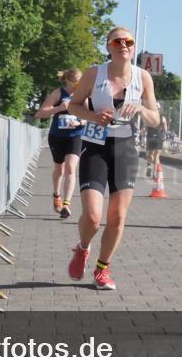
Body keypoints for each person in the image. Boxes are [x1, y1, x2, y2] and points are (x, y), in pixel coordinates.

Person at [66, 27, 159, 290]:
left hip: (125, 149)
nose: (123, 45)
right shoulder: (95, 73)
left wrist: (141, 107)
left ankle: (102, 269)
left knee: (117, 216)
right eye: (117, 41)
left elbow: (155, 119)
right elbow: (73, 105)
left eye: (128, 41)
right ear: (108, 47)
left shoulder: (143, 78)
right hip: (95, 146)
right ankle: (82, 248)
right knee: (94, 217)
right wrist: (94, 117)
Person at [34, 68, 84, 219]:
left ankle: (66, 204)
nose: (78, 85)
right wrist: (59, 108)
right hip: (57, 136)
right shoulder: (58, 93)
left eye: (80, 81)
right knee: (59, 169)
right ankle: (57, 195)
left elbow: (91, 114)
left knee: (70, 168)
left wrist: (82, 121)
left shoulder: (83, 94)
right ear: (68, 81)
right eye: (75, 82)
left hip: (75, 135)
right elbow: (40, 113)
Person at [145, 102, 169, 178]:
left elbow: (146, 128)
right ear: (159, 109)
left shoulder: (149, 116)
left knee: (150, 154)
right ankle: (155, 173)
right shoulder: (163, 118)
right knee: (157, 156)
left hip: (150, 137)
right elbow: (165, 129)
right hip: (159, 137)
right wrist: (165, 134)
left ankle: (149, 166)